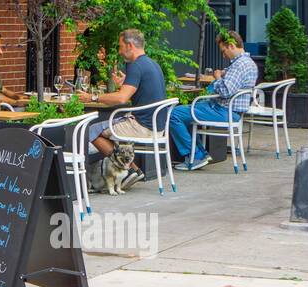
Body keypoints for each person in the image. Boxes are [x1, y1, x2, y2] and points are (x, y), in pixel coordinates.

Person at [85, 29, 168, 192]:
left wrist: (92, 98)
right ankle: (131, 171)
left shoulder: (135, 66)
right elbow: (141, 91)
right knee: (106, 128)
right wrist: (125, 83)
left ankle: (127, 171)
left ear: (130, 45)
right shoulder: (152, 64)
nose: (119, 50)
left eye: (120, 46)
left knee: (92, 130)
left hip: (142, 126)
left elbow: (122, 98)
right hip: (158, 127)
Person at [170, 30, 259, 171]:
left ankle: (196, 156)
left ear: (231, 45)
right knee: (186, 111)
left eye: (223, 51)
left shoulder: (238, 65)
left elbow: (225, 91)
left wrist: (217, 77)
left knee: (175, 114)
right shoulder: (249, 63)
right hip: (232, 112)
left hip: (224, 111)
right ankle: (198, 154)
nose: (223, 55)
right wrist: (225, 73)